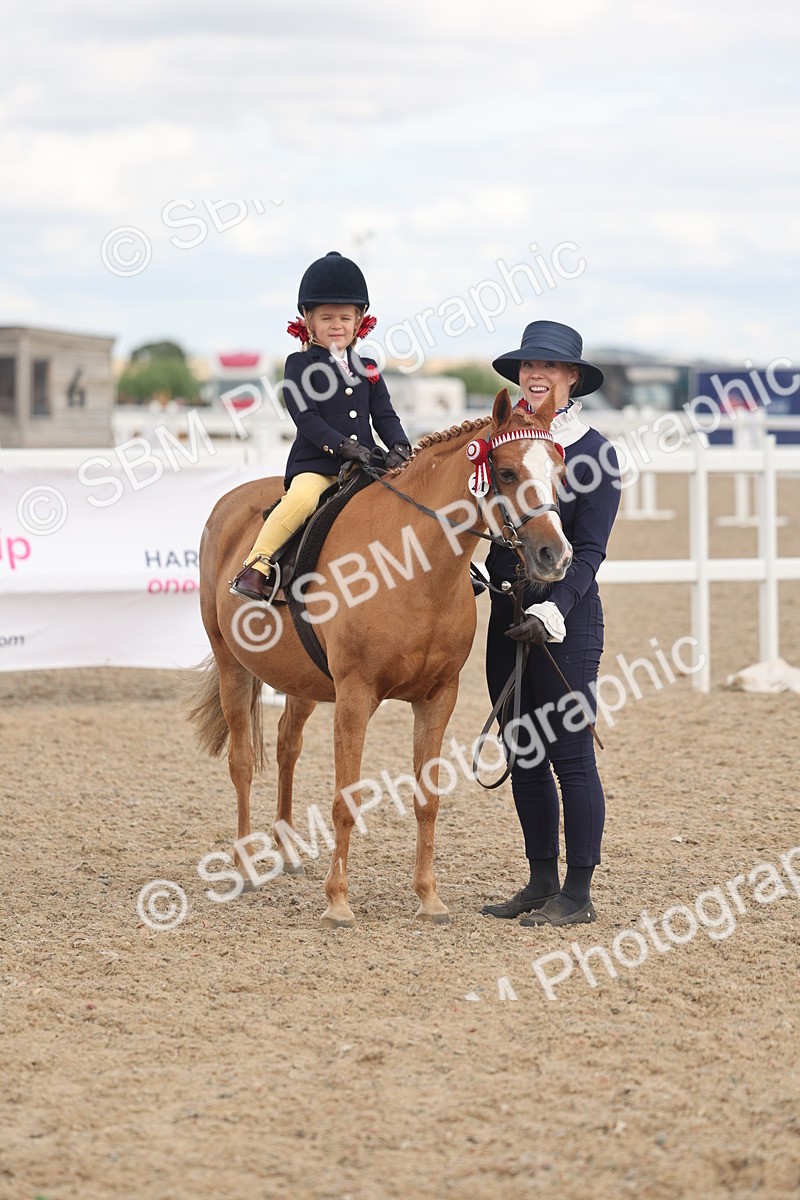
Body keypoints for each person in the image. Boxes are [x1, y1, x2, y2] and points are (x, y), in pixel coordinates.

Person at [481, 321, 620, 927]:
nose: (535, 375)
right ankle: (540, 879)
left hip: (567, 621)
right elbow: (480, 519)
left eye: (549, 367)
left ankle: (579, 892)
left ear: (571, 379)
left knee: (570, 757)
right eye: (527, 366)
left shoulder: (593, 452)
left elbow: (589, 549)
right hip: (506, 619)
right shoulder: (498, 447)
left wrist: (555, 607)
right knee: (523, 752)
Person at [230, 251, 412, 603]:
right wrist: (344, 447)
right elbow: (306, 418)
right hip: (318, 465)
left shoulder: (369, 367)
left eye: (345, 318)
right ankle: (257, 565)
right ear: (309, 321)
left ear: (359, 321)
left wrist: (400, 448)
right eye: (326, 317)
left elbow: (385, 415)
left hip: (367, 465)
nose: (337, 325)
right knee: (301, 499)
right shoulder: (299, 364)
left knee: (411, 500)